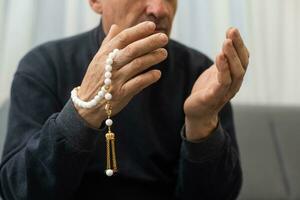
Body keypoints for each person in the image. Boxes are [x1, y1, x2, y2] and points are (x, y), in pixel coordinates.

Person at [0, 0, 249, 199]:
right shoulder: (45, 65)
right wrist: (84, 110)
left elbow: (221, 194)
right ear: (96, 1)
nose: (159, 9)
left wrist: (202, 123)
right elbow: (18, 190)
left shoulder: (201, 74)